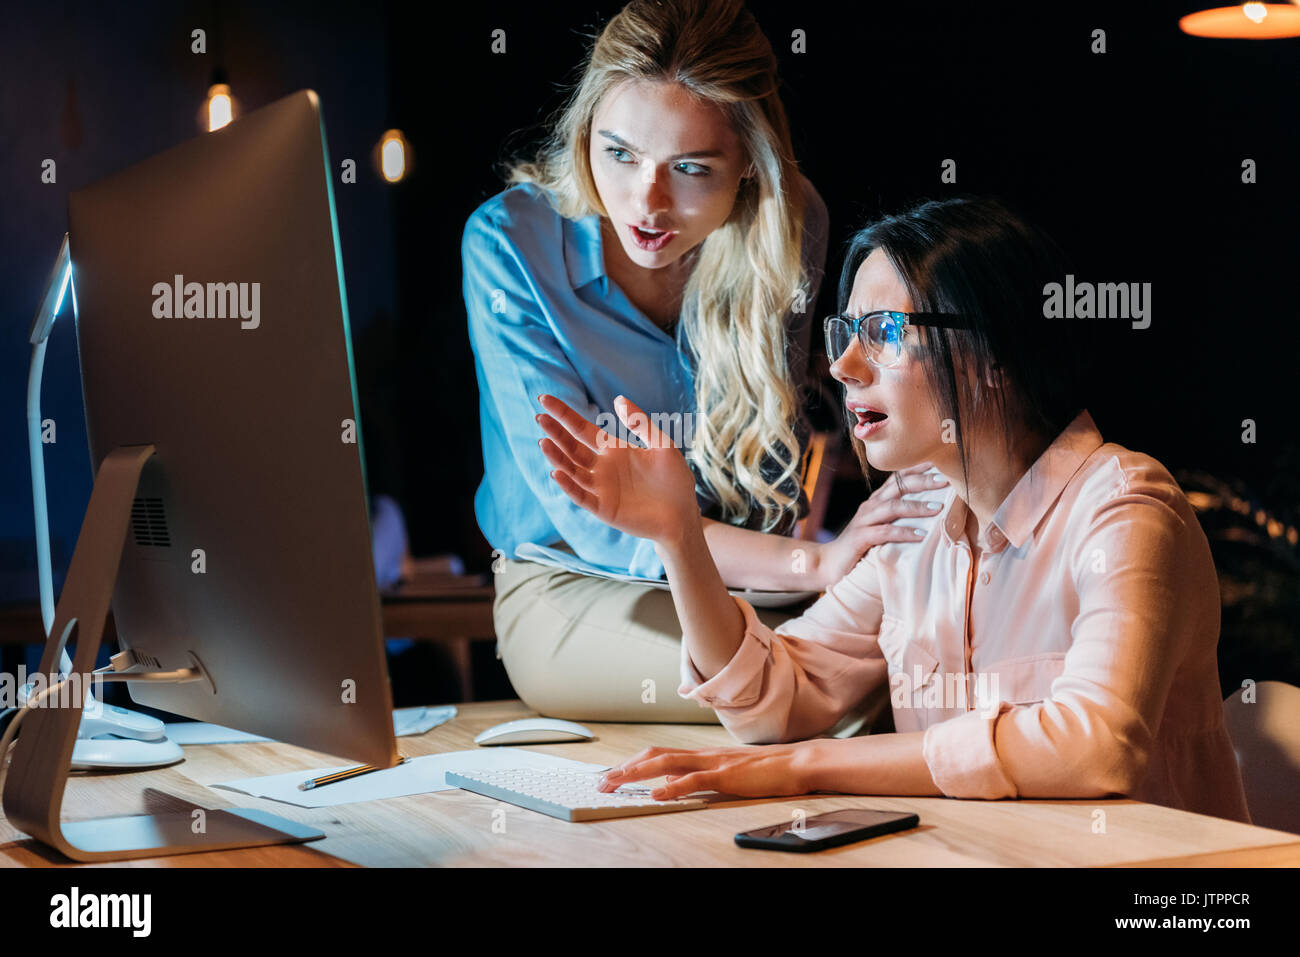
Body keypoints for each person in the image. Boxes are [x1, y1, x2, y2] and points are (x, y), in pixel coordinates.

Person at [538, 196, 1252, 823]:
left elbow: (1096, 745)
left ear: (995, 351)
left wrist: (810, 766)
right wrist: (678, 533)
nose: (844, 367)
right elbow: (773, 699)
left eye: (881, 332)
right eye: (844, 335)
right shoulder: (914, 518)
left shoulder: (1125, 508)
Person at [464, 0, 942, 725]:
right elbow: (593, 522)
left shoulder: (789, 222)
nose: (645, 203)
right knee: (802, 682)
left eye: (689, 168)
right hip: (568, 584)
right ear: (585, 131)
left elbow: (769, 464)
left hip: (749, 577)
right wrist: (814, 564)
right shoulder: (508, 243)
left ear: (748, 163)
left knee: (923, 644)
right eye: (618, 153)